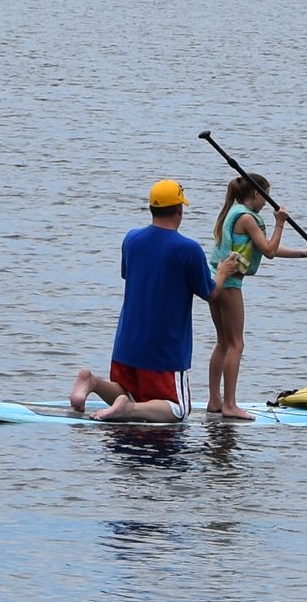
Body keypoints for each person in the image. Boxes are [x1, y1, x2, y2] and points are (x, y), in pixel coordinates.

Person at [72, 178, 213, 420]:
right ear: (179, 211)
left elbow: (127, 274)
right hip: (164, 351)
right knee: (179, 410)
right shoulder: (189, 249)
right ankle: (129, 409)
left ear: (151, 209)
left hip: (127, 343)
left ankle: (92, 382)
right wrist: (224, 272)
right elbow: (210, 292)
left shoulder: (131, 239)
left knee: (128, 391)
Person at [201, 173, 307, 418]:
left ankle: (215, 400)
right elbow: (269, 251)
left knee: (223, 342)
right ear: (256, 194)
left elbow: (263, 246)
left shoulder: (234, 212)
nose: (267, 202)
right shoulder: (247, 218)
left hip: (216, 279)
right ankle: (230, 405)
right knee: (236, 344)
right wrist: (280, 223)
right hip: (230, 284)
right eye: (266, 196)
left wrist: (303, 253)